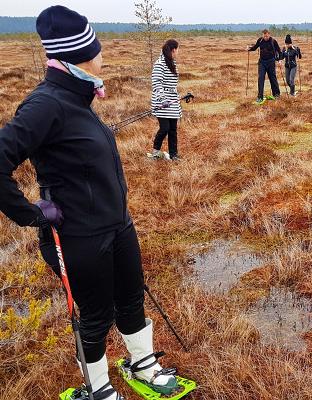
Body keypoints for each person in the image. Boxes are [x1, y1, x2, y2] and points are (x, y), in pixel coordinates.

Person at [0, 6, 179, 399]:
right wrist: (30, 214)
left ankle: (142, 364)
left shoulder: (79, 99)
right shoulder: (45, 104)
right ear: (79, 53)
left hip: (118, 226)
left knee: (132, 298)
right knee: (96, 316)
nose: (103, 55)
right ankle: (98, 388)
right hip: (79, 236)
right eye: (96, 48)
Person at [149, 39, 182, 161]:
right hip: (161, 103)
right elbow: (157, 83)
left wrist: (175, 96)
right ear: (173, 50)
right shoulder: (159, 64)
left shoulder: (172, 62)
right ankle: (155, 152)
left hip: (172, 102)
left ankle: (174, 155)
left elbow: (172, 84)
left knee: (173, 129)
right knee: (165, 128)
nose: (178, 52)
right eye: (178, 49)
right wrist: (163, 99)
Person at [246, 29, 282, 104]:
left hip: (271, 62)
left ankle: (276, 94)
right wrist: (249, 49)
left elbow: (279, 51)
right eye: (264, 36)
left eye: (266, 36)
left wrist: (280, 60)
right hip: (262, 62)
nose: (265, 37)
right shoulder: (260, 40)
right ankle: (260, 97)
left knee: (272, 78)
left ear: (269, 34)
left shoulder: (273, 41)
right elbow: (255, 47)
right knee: (260, 78)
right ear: (262, 35)